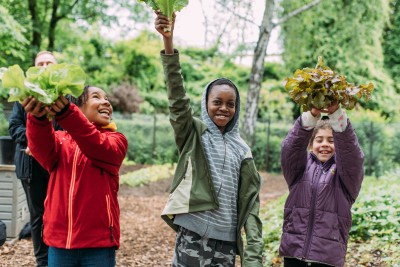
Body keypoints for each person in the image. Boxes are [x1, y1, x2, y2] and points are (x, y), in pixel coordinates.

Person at [155, 12, 264, 267]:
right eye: (217, 102)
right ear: (206, 104)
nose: (224, 108)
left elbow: (251, 203)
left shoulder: (243, 150)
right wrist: (168, 44)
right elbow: (177, 99)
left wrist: (254, 256)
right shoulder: (194, 133)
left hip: (225, 245)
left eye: (230, 104)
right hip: (192, 235)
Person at [22, 85, 128, 267]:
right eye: (96, 97)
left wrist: (67, 114)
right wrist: (38, 117)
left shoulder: (116, 140)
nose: (106, 102)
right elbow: (40, 144)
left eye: (107, 98)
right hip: (59, 242)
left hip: (99, 244)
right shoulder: (60, 140)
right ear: (78, 107)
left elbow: (96, 144)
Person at [279, 103, 364, 267]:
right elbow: (290, 149)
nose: (325, 144)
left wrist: (337, 116)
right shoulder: (299, 169)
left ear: (338, 146)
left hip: (327, 255)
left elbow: (352, 156)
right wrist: (311, 115)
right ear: (310, 145)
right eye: (319, 140)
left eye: (331, 140)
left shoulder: (346, 176)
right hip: (294, 251)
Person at [8, 51, 58, 267]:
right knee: (38, 215)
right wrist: (32, 144)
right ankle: (42, 261)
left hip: (58, 165)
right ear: (34, 68)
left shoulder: (66, 96)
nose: (45, 66)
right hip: (31, 166)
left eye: (49, 63)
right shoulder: (24, 96)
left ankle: (61, 256)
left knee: (59, 212)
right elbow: (14, 126)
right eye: (40, 63)